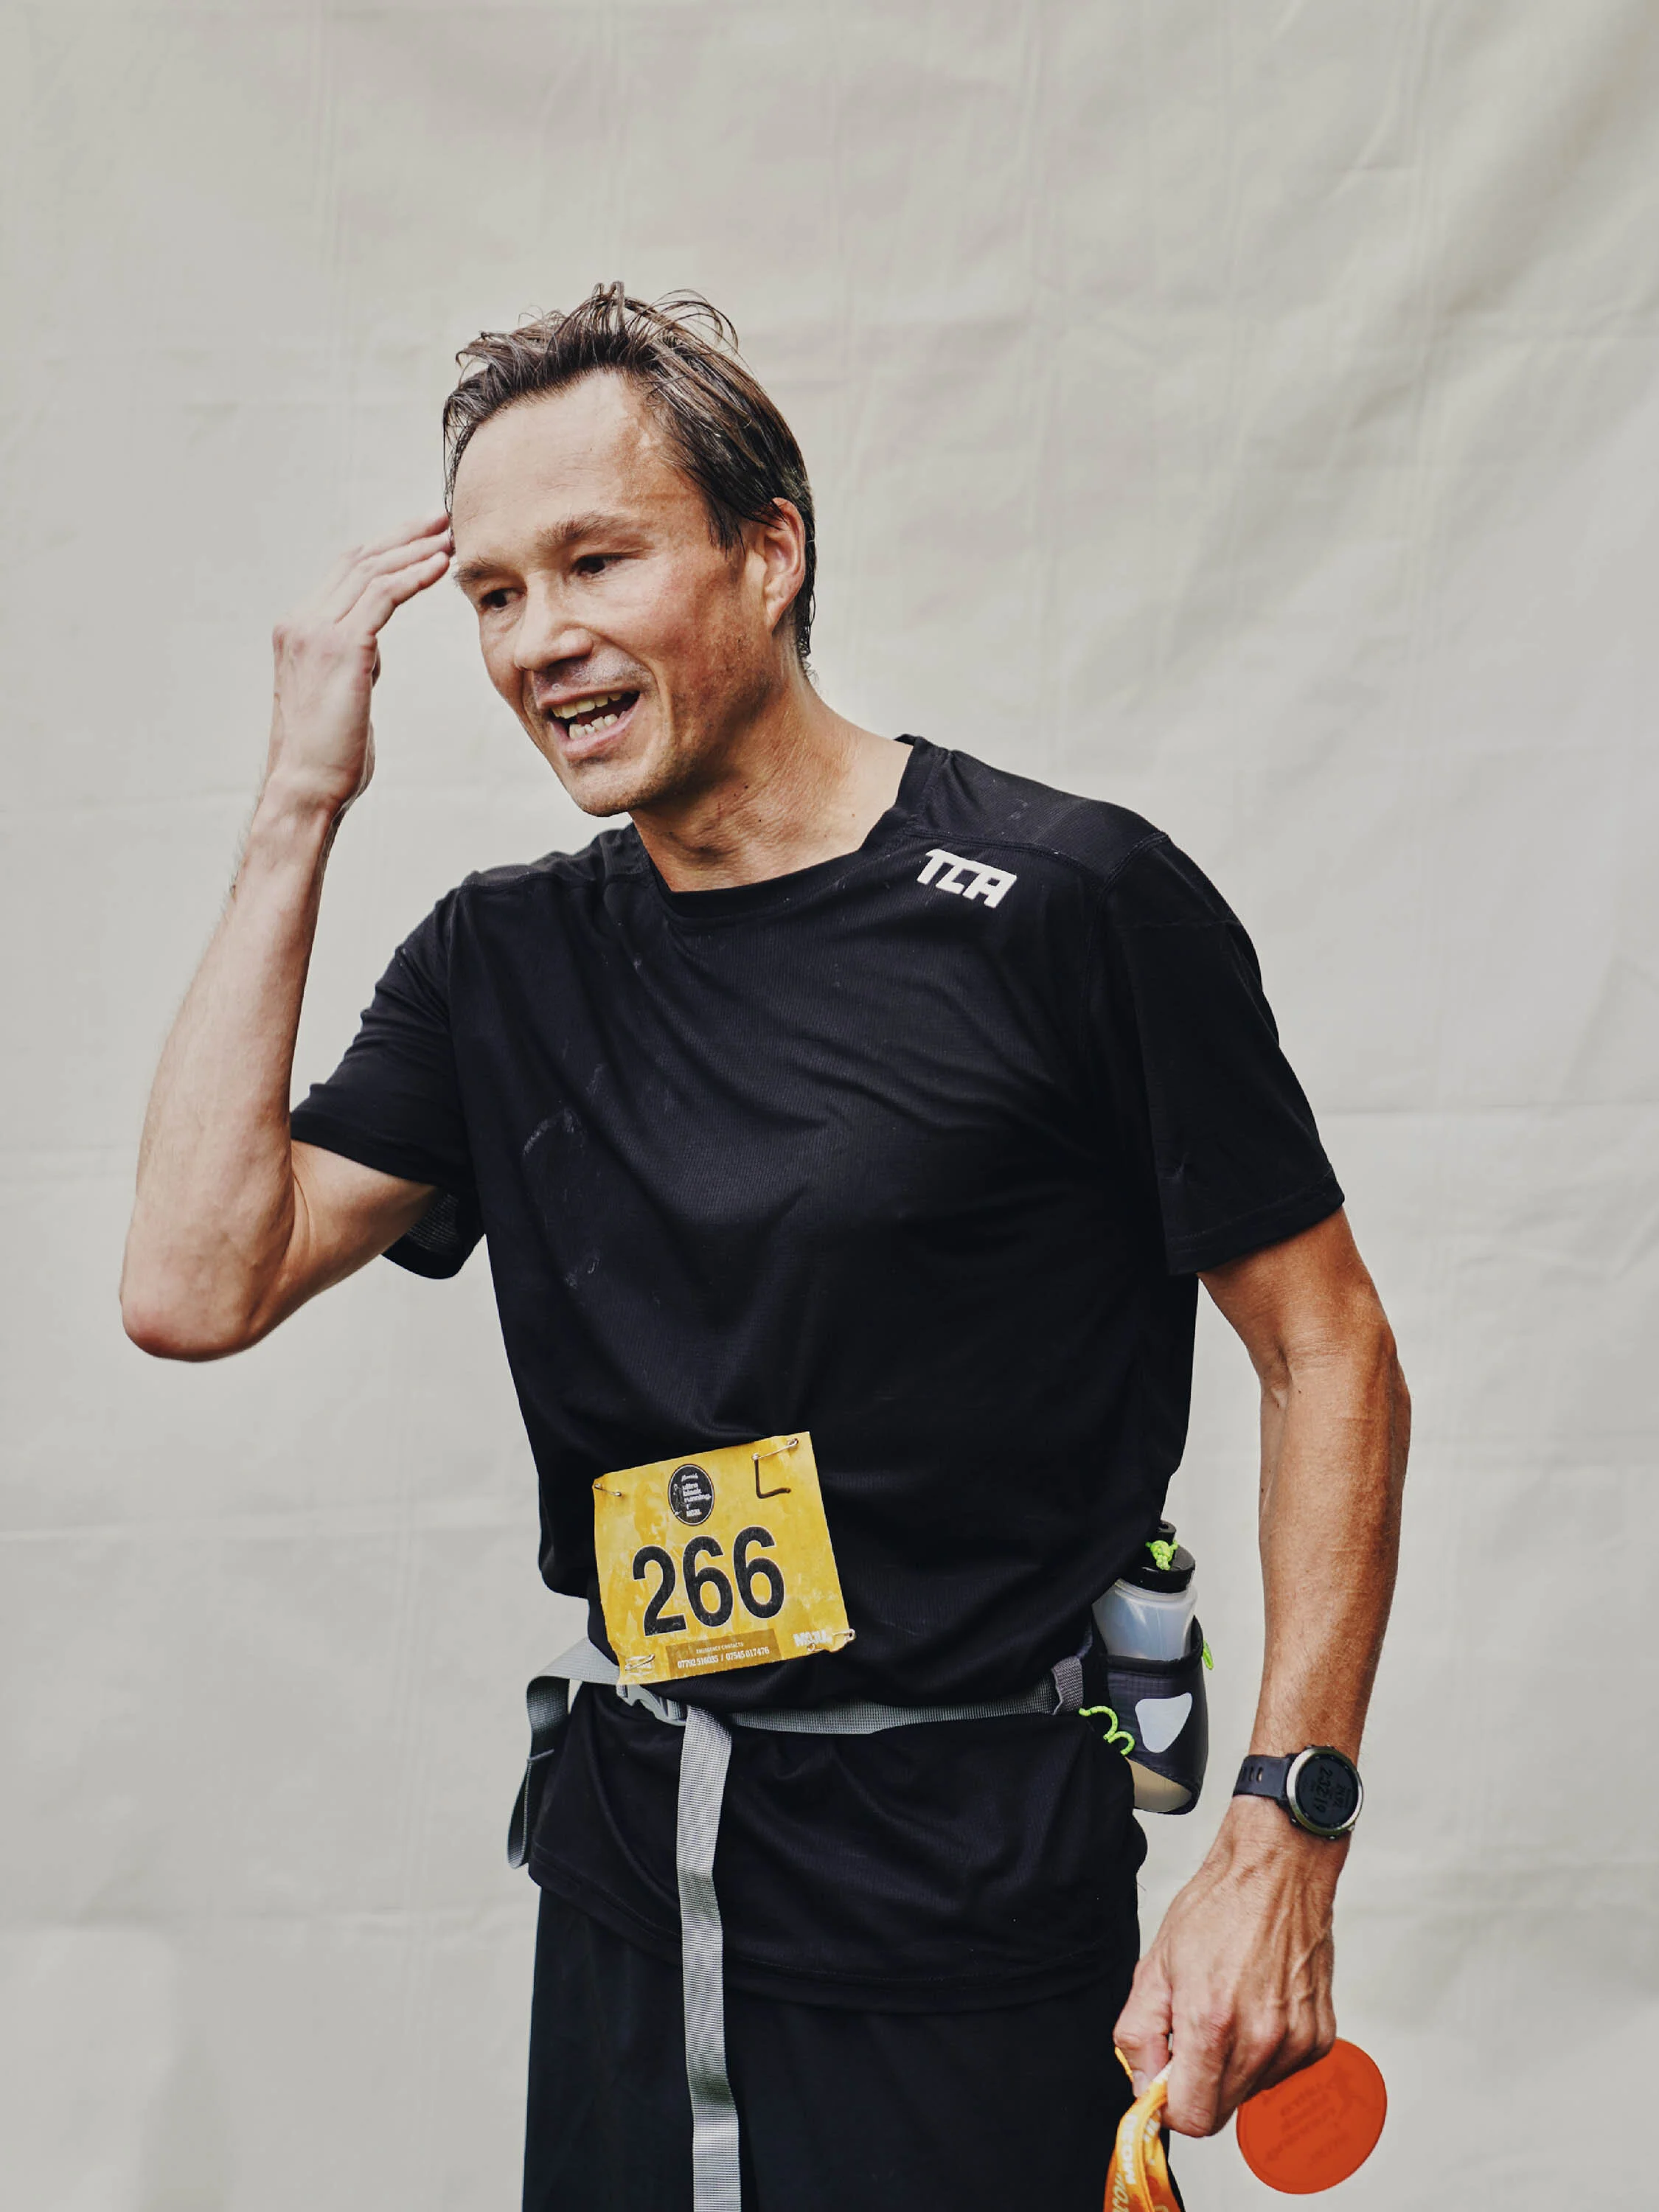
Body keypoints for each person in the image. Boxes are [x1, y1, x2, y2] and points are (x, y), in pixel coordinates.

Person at [121, 285, 1409, 2212]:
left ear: (770, 549)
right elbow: (191, 1283)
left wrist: (1278, 1841)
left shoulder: (1067, 906)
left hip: (965, 1890)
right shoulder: (502, 963)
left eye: (595, 560)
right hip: (640, 1876)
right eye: (489, 594)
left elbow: (1331, 1351)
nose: (541, 638)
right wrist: (303, 796)